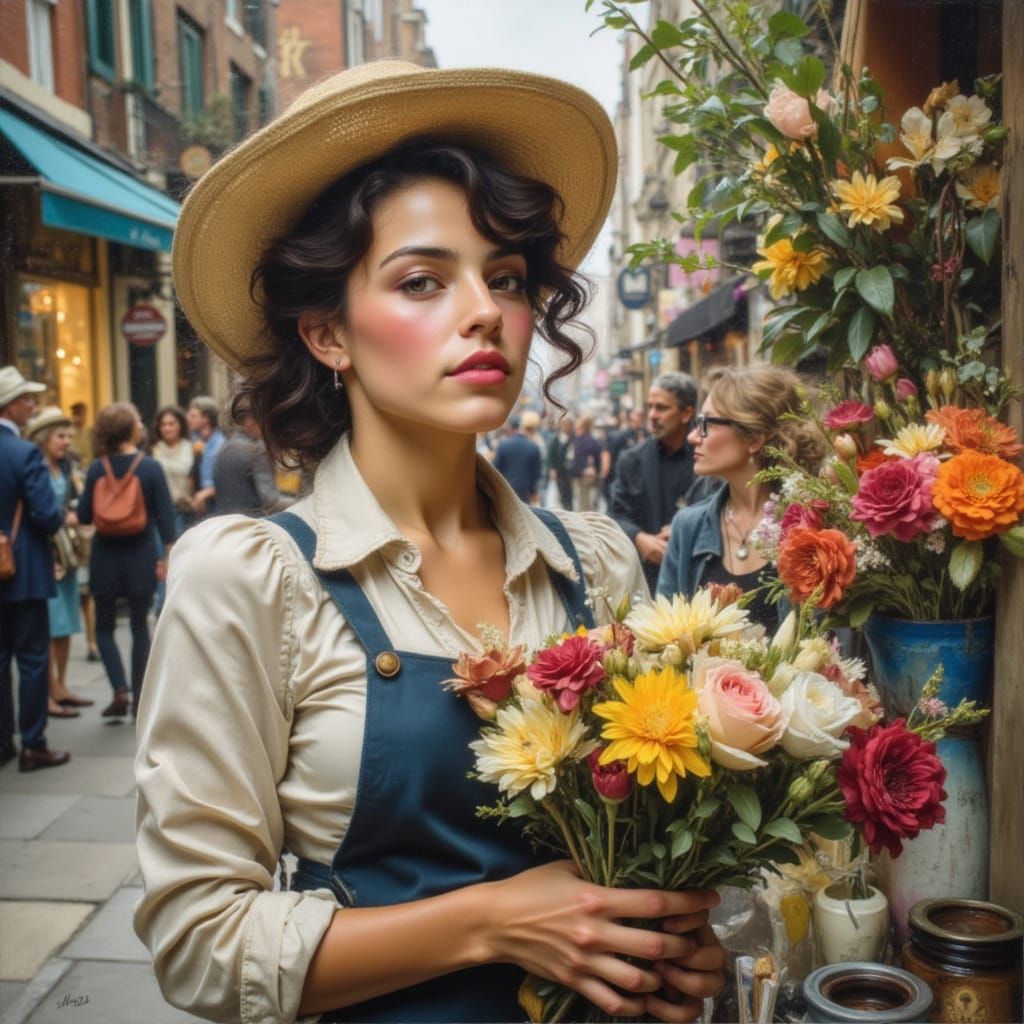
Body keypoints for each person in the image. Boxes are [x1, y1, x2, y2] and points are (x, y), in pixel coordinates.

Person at [133, 61, 725, 1024]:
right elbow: (199, 945)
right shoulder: (250, 578)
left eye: (505, 277)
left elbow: (637, 855)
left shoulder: (600, 560)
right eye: (422, 280)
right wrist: (494, 922)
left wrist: (668, 944)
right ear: (328, 333)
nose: (486, 310)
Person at [657, 365, 827, 630]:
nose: (692, 437)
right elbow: (664, 635)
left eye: (705, 424)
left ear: (755, 438)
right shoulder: (687, 527)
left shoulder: (813, 526)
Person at [76, 402, 177, 719]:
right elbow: (167, 522)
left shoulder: (96, 468)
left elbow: (83, 515)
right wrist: (166, 558)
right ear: (131, 428)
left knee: (103, 627)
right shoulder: (149, 467)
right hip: (140, 556)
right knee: (138, 627)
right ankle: (139, 700)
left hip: (105, 556)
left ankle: (119, 689)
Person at [0, 367, 70, 771]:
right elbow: (46, 516)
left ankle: (3, 741)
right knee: (30, 659)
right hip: (23, 569)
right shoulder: (24, 452)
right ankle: (32, 743)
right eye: (27, 399)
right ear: (11, 403)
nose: (31, 405)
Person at [610, 373, 717, 593]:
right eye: (650, 407)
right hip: (649, 580)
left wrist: (686, 527)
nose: (652, 415)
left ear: (686, 413)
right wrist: (641, 539)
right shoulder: (632, 460)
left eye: (661, 408)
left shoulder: (709, 457)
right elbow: (615, 514)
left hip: (703, 579)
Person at [25, 406, 93, 716]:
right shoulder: (34, 465)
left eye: (68, 435)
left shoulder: (66, 468)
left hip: (66, 553)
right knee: (50, 626)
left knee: (65, 622)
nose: (67, 441)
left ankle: (61, 685)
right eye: (60, 436)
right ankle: (49, 691)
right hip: (44, 553)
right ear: (43, 438)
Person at [212, 399, 291, 516]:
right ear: (250, 421)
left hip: (226, 523)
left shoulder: (223, 449)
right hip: (252, 524)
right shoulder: (256, 451)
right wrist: (302, 503)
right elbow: (271, 500)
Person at [186, 396, 225, 518]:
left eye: (193, 416)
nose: (188, 419)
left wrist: (204, 494)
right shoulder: (197, 440)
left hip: (216, 505)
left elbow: (224, 480)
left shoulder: (219, 445)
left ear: (206, 418)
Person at [492, 413, 542, 503]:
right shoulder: (533, 447)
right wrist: (533, 492)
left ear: (511, 428)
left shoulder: (503, 445)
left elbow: (496, 468)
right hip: (525, 491)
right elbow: (536, 473)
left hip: (506, 489)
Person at [570, 414, 604, 513]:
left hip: (583, 476)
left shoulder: (580, 440)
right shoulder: (593, 440)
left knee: (584, 506)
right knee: (590, 505)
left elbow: (576, 458)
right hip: (589, 475)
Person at [545, 413, 575, 509]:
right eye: (565, 424)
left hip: (571, 471)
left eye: (569, 424)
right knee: (562, 492)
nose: (567, 427)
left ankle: (569, 508)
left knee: (570, 494)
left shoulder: (575, 438)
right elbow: (550, 455)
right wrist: (552, 469)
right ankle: (566, 508)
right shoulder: (556, 439)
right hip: (559, 470)